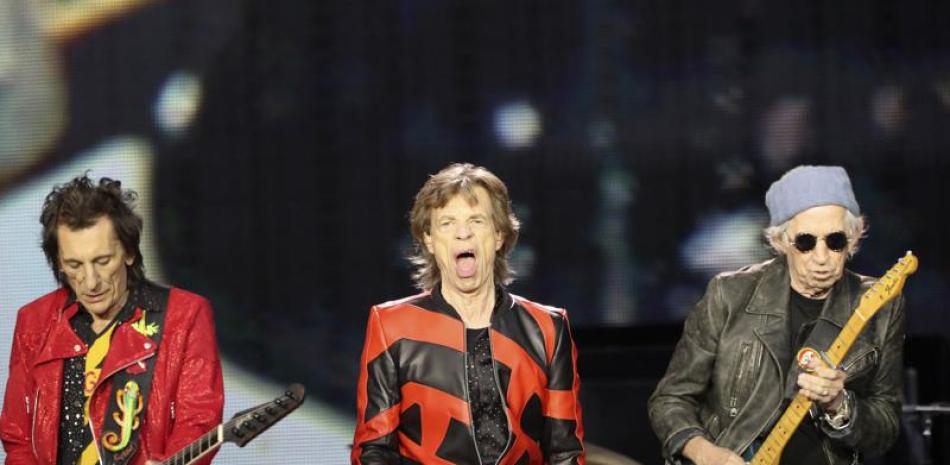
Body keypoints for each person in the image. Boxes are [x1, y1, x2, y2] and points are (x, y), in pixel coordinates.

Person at [648, 166, 905, 465]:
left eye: (835, 242)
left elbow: (886, 427)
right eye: (806, 243)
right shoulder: (728, 294)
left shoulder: (879, 304)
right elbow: (670, 400)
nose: (821, 258)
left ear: (853, 239)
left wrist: (839, 405)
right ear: (782, 241)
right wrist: (705, 454)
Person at [351, 163, 585, 465]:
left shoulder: (548, 328)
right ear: (430, 240)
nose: (463, 234)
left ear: (499, 235)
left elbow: (565, 451)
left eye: (477, 220)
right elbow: (374, 449)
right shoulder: (392, 326)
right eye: (447, 223)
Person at [0, 175, 224, 465]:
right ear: (58, 262)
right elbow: (17, 439)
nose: (90, 282)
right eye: (74, 265)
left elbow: (198, 420)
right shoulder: (34, 321)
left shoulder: (184, 316)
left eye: (102, 261)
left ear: (129, 252)